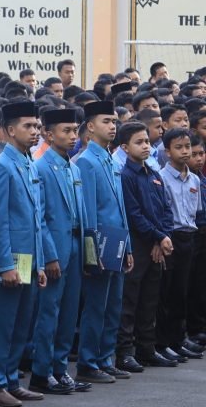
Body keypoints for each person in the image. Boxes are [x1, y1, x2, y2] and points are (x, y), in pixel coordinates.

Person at [0, 101, 47, 407]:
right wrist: (5, 265)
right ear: (10, 130)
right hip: (9, 262)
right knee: (2, 325)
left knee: (21, 325)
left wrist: (40, 263)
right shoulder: (0, 165)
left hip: (29, 260)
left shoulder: (28, 162)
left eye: (37, 126)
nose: (35, 132)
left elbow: (35, 219)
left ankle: (10, 381)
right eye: (28, 126)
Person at [30, 109, 91, 394]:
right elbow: (40, 217)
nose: (72, 136)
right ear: (48, 134)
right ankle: (41, 372)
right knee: (49, 313)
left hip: (76, 244)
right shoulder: (41, 167)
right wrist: (50, 255)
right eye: (66, 131)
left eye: (75, 130)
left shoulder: (73, 168)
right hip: (56, 248)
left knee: (68, 313)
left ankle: (60, 367)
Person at [75, 101, 134, 384]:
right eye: (106, 121)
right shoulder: (86, 161)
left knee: (113, 306)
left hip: (117, 242)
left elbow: (120, 207)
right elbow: (87, 211)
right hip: (100, 243)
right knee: (96, 306)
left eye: (114, 121)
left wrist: (129, 247)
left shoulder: (111, 158)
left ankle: (105, 358)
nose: (112, 126)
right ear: (90, 126)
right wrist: (90, 252)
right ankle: (88, 362)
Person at [115, 121, 175, 371]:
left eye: (147, 141)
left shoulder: (153, 174)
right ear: (124, 147)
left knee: (151, 298)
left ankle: (147, 349)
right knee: (130, 299)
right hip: (138, 244)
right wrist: (157, 237)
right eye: (138, 142)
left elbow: (166, 209)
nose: (145, 146)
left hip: (155, 243)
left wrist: (162, 236)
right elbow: (134, 214)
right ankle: (124, 352)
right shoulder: (126, 176)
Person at [157, 128, 203, 361]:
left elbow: (196, 211)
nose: (185, 152)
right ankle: (163, 342)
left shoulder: (194, 178)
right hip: (170, 238)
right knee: (166, 292)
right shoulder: (161, 178)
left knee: (182, 292)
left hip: (188, 237)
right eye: (179, 147)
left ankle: (178, 339)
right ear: (167, 152)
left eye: (188, 147)